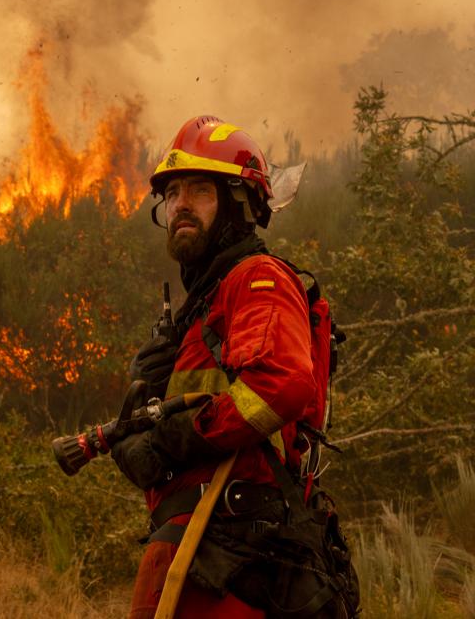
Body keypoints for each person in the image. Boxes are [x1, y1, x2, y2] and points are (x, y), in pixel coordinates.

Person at [112, 115, 321, 618]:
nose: (180, 204)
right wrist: (141, 415)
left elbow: (283, 385)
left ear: (239, 205)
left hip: (238, 559)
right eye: (174, 192)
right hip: (195, 547)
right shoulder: (204, 306)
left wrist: (176, 437)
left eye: (200, 190)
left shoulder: (256, 278)